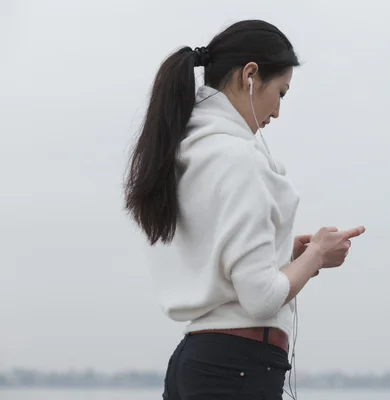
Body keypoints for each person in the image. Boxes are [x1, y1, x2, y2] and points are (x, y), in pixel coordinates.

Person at [124, 19, 365, 400]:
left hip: (200, 363)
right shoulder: (238, 158)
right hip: (236, 369)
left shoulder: (188, 152)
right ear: (250, 75)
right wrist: (317, 254)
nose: (278, 112)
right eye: (281, 92)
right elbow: (261, 298)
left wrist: (290, 258)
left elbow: (223, 271)